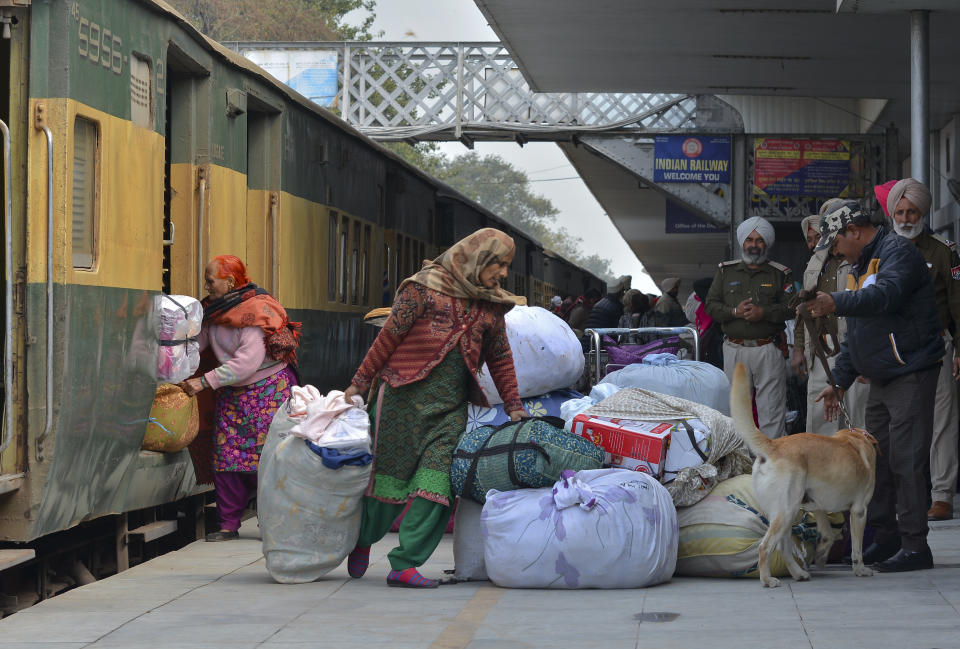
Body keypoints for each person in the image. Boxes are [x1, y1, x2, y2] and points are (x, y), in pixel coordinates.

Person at [341, 228, 527, 588]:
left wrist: (514, 404)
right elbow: (388, 338)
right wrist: (359, 382)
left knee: (438, 486)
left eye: (506, 266)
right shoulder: (422, 288)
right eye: (499, 264)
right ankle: (363, 539)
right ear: (478, 258)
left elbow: (500, 357)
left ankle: (405, 563)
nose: (503, 273)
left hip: (449, 410)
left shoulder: (491, 304)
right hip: (400, 401)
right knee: (388, 487)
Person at [810, 201, 943, 572]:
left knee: (905, 460)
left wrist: (834, 301)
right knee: (876, 463)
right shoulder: (859, 264)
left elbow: (884, 297)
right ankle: (886, 540)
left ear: (854, 232)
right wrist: (840, 381)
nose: (834, 250)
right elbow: (860, 331)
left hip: (911, 372)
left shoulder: (897, 253)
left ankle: (916, 546)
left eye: (835, 242)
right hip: (884, 374)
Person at [181, 255, 300, 542]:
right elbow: (201, 344)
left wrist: (203, 381)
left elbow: (247, 363)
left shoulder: (254, 313)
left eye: (211, 280)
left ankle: (270, 520)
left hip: (267, 393)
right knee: (226, 459)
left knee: (269, 460)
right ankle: (228, 524)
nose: (206, 285)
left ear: (230, 282)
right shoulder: (215, 311)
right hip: (233, 395)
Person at [875, 178, 960, 522]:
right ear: (892, 213)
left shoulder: (943, 251)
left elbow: (957, 303)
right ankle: (901, 494)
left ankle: (941, 494)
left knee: (942, 422)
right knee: (900, 424)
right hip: (895, 350)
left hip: (936, 345)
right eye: (900, 211)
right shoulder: (881, 250)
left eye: (911, 211)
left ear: (922, 212)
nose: (906, 218)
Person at [706, 216, 794, 439]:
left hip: (768, 349)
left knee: (772, 411)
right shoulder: (726, 272)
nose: (754, 245)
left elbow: (792, 308)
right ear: (742, 243)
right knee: (737, 412)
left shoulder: (780, 273)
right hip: (734, 350)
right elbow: (711, 306)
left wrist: (762, 313)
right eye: (749, 240)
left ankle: (771, 466)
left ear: (767, 244)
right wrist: (734, 312)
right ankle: (741, 464)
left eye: (759, 240)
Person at [792, 210, 867, 435]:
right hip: (821, 350)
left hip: (852, 347)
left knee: (856, 419)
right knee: (820, 420)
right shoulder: (813, 264)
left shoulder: (857, 258)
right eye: (811, 239)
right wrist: (798, 348)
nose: (815, 243)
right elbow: (802, 310)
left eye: (820, 237)